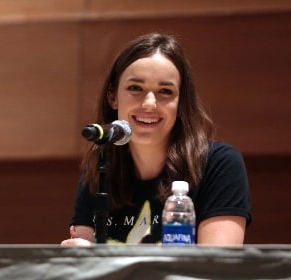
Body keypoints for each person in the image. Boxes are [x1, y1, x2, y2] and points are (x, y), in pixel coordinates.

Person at [61, 33, 251, 246]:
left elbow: (216, 267)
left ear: (181, 103)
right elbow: (82, 269)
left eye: (165, 91)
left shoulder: (219, 164)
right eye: (135, 88)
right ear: (112, 97)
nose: (149, 103)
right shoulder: (100, 168)